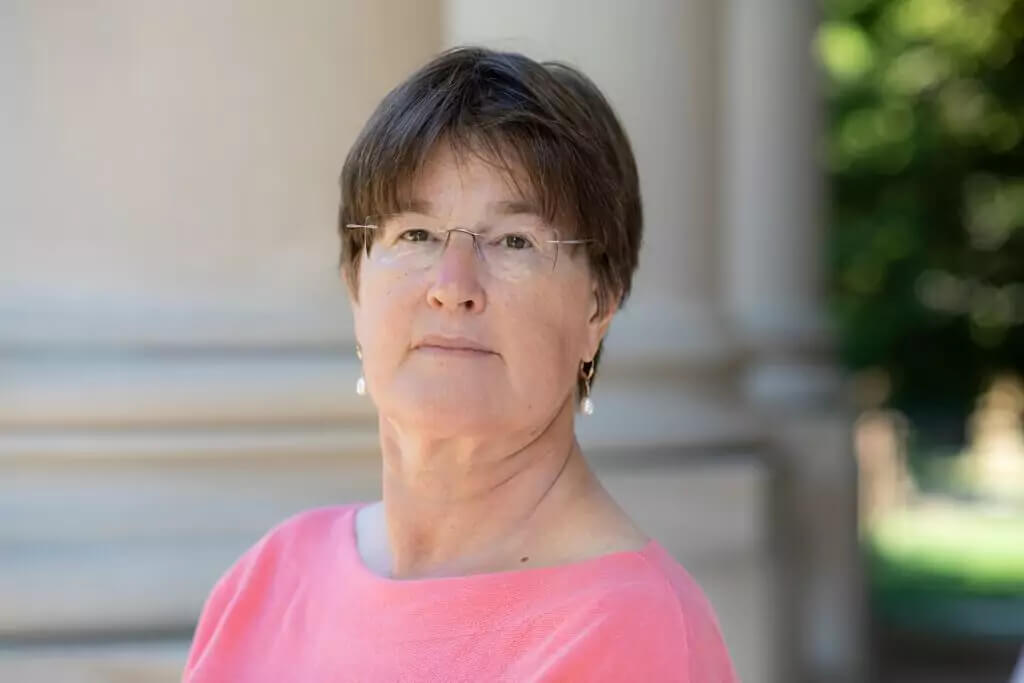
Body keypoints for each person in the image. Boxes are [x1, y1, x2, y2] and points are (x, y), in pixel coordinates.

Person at [182, 46, 738, 682]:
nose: (452, 285)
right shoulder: (269, 583)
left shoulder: (637, 636)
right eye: (414, 234)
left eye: (514, 242)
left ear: (599, 305)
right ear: (355, 285)